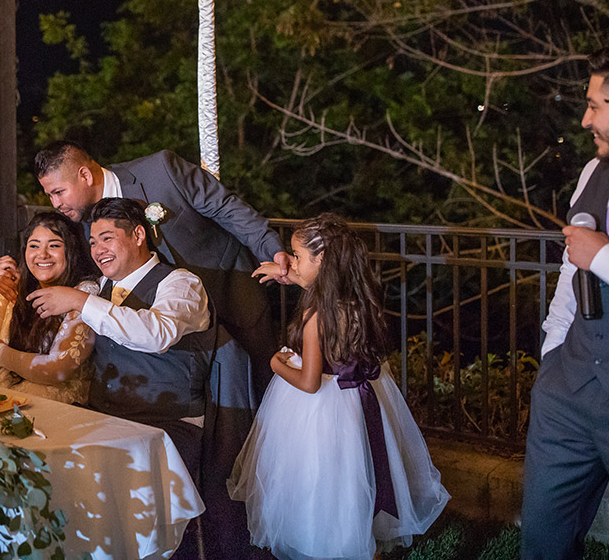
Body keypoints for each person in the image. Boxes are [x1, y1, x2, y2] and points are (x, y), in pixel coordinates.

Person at [32, 141, 288, 556]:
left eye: (57, 192)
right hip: (159, 346)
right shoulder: (87, 224)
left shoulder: (161, 170)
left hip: (230, 296)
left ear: (84, 174)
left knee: (258, 425)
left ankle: (263, 526)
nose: (55, 202)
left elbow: (226, 208)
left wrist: (273, 250)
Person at [229, 213, 449, 559]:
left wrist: (275, 363)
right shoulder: (355, 302)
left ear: (323, 262)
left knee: (318, 483)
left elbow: (309, 382)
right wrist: (286, 273)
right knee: (354, 477)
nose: (292, 263)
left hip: (319, 408)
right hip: (357, 403)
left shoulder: (315, 317)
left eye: (298, 257)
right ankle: (363, 540)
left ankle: (325, 544)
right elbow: (316, 283)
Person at [522, 43, 609, 558]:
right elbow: (571, 272)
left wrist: (605, 257)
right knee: (542, 540)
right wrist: (551, 356)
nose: (585, 118)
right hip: (566, 392)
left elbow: (592, 257)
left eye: (596, 105)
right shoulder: (594, 172)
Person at [26, 197, 217, 478]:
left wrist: (80, 301)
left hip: (165, 424)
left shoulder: (181, 283)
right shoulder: (100, 286)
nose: (98, 250)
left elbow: (157, 333)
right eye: (92, 242)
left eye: (106, 239)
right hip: (104, 416)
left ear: (139, 235)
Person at [0, 211, 99, 404]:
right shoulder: (20, 289)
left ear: (70, 250)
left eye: (54, 245)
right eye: (34, 246)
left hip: (60, 409)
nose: (42, 254)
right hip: (12, 396)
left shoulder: (84, 293)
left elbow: (57, 370)